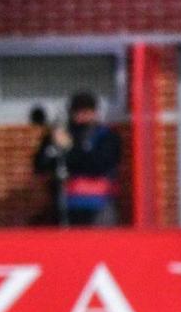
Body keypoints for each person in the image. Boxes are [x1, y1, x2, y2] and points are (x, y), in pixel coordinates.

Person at [33, 92, 120, 226]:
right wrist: (51, 143)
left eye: (86, 112)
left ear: (95, 113)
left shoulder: (106, 137)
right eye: (77, 112)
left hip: (99, 204)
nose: (82, 117)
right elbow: (40, 166)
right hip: (65, 204)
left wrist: (70, 148)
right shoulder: (62, 134)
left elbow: (98, 166)